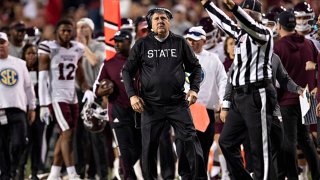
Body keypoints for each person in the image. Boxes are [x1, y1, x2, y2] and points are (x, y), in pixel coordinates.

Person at [122, 7, 207, 180]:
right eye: (156, 19)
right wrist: (132, 95)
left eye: (164, 18)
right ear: (151, 24)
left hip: (177, 103)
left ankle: (197, 178)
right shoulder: (142, 44)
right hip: (151, 105)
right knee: (149, 149)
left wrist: (194, 89)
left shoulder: (180, 42)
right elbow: (126, 71)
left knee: (190, 141)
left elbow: (195, 68)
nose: (160, 21)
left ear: (169, 22)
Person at [201, 0, 277, 179]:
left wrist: (235, 9)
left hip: (258, 93)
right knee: (226, 142)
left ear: (257, 16)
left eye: (248, 13)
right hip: (239, 97)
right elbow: (223, 22)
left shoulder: (264, 33)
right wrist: (208, 5)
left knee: (260, 148)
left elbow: (250, 24)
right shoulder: (240, 34)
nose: (244, 16)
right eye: (244, 12)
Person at [38, 18, 95, 180]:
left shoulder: (77, 48)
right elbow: (42, 79)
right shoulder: (48, 47)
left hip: (72, 96)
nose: (66, 33)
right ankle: (72, 173)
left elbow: (79, 73)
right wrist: (43, 104)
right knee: (67, 132)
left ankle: (54, 174)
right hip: (56, 96)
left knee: (66, 134)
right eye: (63, 30)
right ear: (57, 32)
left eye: (69, 30)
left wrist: (86, 89)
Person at [274, 11, 320, 180]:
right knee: (306, 139)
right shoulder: (309, 44)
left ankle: (293, 177)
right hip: (307, 98)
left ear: (279, 26)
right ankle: (316, 175)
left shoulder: (278, 47)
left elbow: (276, 78)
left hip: (287, 100)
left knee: (289, 142)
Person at [93, 29, 142, 180]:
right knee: (125, 151)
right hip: (118, 111)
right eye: (116, 41)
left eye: (121, 41)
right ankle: (128, 177)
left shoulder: (140, 61)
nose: (117, 44)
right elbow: (96, 89)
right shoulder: (108, 64)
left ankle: (119, 175)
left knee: (139, 148)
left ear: (130, 41)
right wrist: (103, 90)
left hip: (139, 111)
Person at [184, 26, 228, 173]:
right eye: (189, 39)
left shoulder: (212, 59)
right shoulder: (180, 57)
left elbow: (223, 80)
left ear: (204, 41)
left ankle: (201, 176)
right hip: (185, 110)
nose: (192, 43)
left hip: (205, 110)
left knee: (203, 147)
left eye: (195, 40)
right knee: (185, 148)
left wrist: (223, 101)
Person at [74, 17, 110, 180]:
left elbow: (95, 60)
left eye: (85, 27)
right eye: (79, 28)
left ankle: (102, 173)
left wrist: (82, 46)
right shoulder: (72, 47)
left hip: (95, 94)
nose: (81, 31)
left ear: (91, 29)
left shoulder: (98, 46)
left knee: (96, 135)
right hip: (78, 93)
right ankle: (81, 172)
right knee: (78, 136)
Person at [0, 32, 36, 180]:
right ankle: (6, 174)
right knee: (1, 146)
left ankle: (13, 169)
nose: (0, 46)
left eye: (2, 43)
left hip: (18, 108)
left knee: (19, 143)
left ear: (8, 44)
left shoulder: (19, 63)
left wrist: (32, 107)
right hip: (0, 110)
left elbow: (28, 87)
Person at [19, 44, 46, 180]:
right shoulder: (19, 70)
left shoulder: (41, 71)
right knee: (24, 142)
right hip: (23, 111)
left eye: (34, 54)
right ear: (23, 55)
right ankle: (21, 170)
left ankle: (35, 172)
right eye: (29, 53)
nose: (31, 56)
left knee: (38, 142)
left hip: (39, 109)